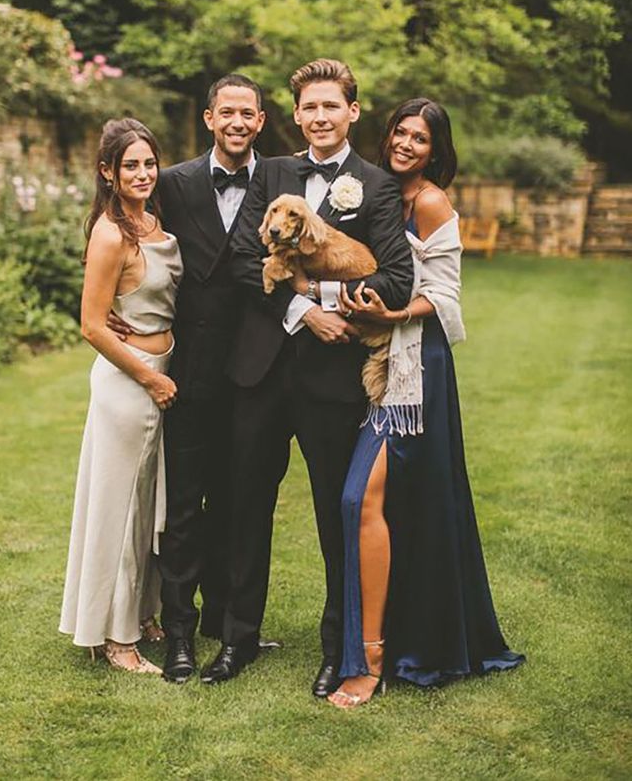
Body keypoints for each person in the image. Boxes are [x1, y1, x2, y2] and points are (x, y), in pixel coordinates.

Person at [200, 59, 414, 694]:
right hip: (261, 369)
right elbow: (242, 256)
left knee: (333, 512)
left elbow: (395, 278)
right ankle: (237, 639)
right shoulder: (270, 173)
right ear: (296, 116)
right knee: (245, 505)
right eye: (309, 108)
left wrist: (323, 299)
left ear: (352, 112)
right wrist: (297, 310)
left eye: (332, 106)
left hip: (331, 380)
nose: (320, 117)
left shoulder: (375, 187)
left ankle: (337, 647)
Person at [328, 98, 525, 708]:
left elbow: (445, 294)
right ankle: (389, 639)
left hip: (416, 368)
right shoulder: (375, 191)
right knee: (388, 502)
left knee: (360, 496)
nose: (406, 144)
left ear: (435, 150)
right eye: (400, 132)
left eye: (420, 138)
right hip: (371, 361)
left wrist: (390, 312)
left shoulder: (432, 201)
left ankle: (371, 660)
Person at [59, 118, 183, 673]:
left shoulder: (156, 222)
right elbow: (91, 325)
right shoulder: (111, 233)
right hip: (130, 384)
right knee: (120, 506)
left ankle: (143, 613)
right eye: (129, 165)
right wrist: (150, 377)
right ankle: (114, 638)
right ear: (107, 172)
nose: (142, 173)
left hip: (164, 368)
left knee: (149, 505)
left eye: (148, 163)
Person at [154, 75, 266, 682]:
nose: (237, 122)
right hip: (191, 372)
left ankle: (228, 625)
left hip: (254, 371)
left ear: (262, 120)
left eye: (247, 113)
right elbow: (137, 243)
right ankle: (179, 634)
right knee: (184, 507)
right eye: (228, 112)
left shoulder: (278, 179)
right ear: (209, 118)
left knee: (236, 503)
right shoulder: (173, 183)